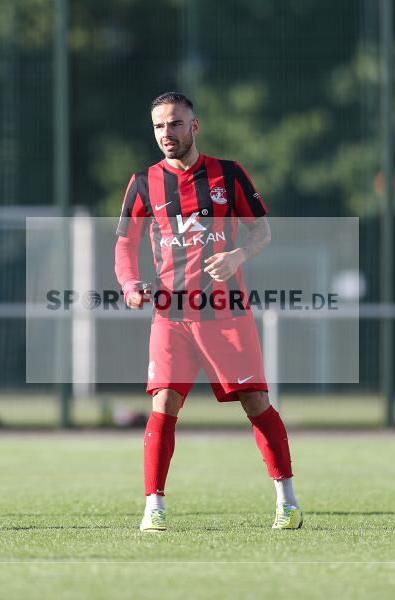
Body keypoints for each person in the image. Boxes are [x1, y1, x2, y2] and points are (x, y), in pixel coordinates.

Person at [115, 92, 302, 532]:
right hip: (171, 316)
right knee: (164, 403)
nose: (167, 133)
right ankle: (154, 507)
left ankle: (287, 501)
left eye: (176, 124)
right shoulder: (143, 182)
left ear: (194, 127)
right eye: (160, 125)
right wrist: (128, 283)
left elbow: (262, 229)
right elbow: (124, 241)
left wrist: (237, 256)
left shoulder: (228, 175)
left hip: (226, 313)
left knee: (257, 403)